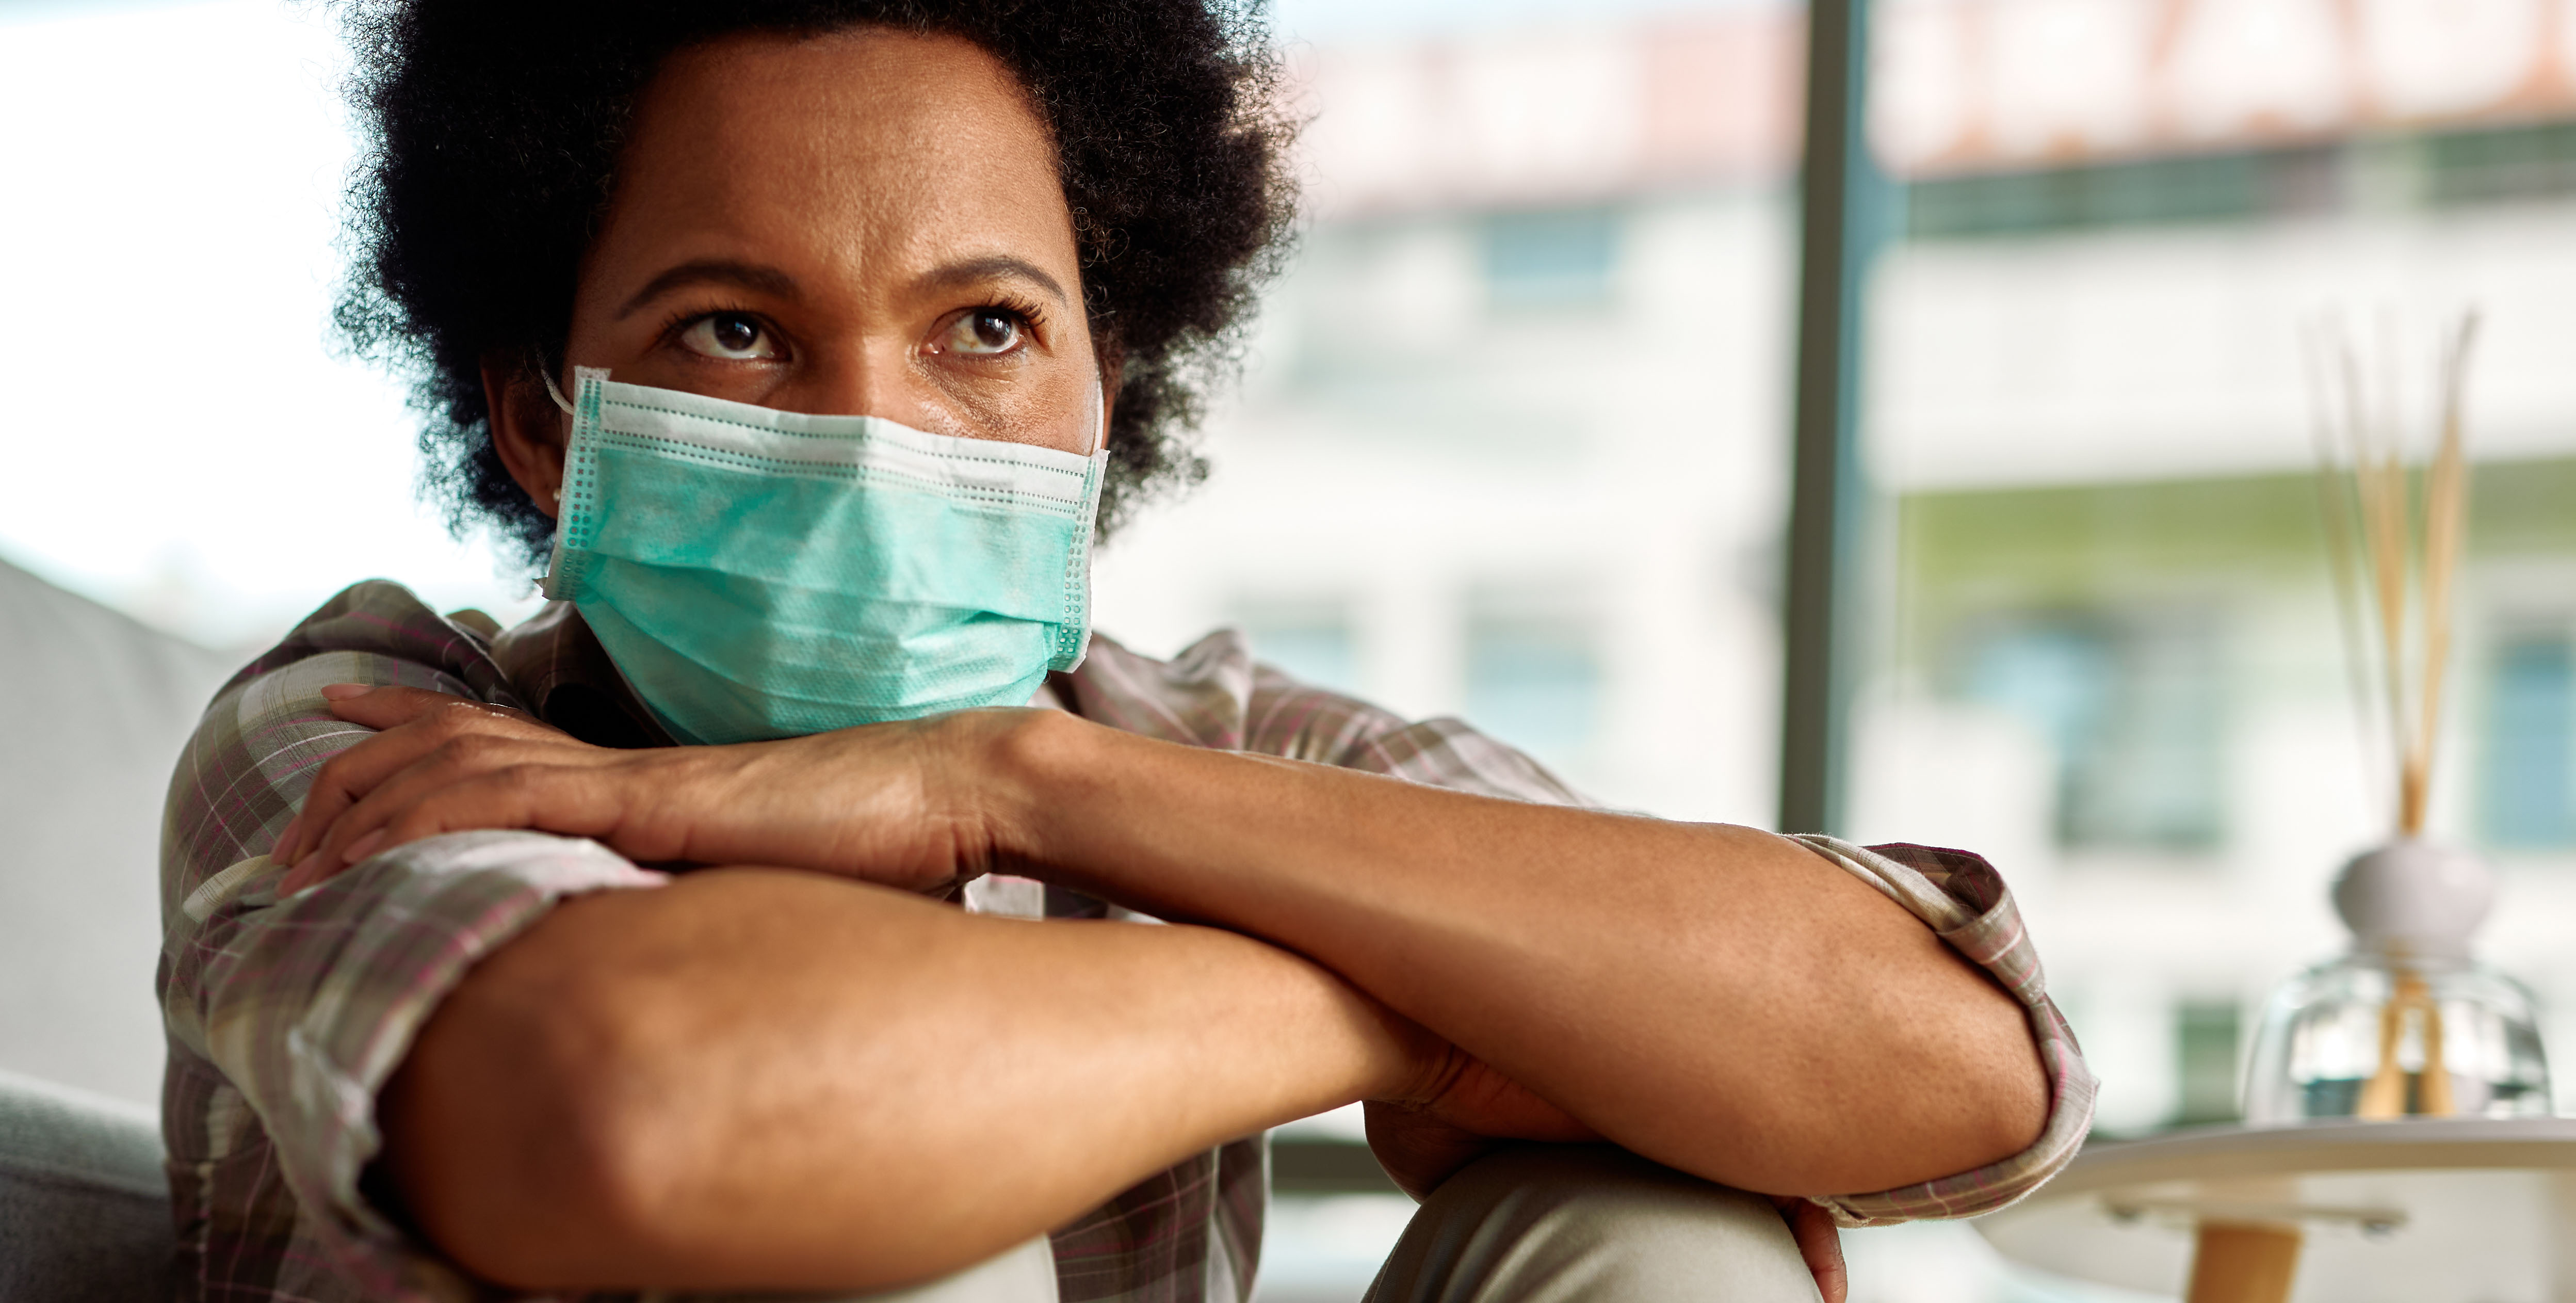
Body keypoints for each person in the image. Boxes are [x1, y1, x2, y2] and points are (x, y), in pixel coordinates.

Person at [155, 3, 2096, 1301]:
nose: (878, 433)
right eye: (734, 331)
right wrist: (1396, 1014)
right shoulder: (383, 732)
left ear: (1106, 388)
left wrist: (1018, 780)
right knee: (867, 1174)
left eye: (983, 329)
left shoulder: (1196, 746)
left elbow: (1960, 1069)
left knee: (1644, 1223)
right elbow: (657, 1114)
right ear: (546, 416)